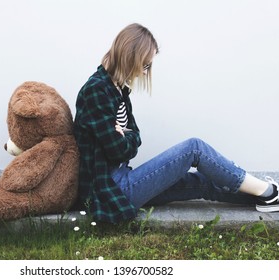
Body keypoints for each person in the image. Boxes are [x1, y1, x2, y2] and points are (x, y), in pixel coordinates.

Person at [73, 23, 279, 223]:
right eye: (145, 65)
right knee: (194, 148)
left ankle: (266, 196)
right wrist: (126, 139)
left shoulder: (118, 89)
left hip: (123, 179)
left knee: (201, 183)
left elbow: (135, 136)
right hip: (111, 191)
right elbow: (118, 151)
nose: (145, 72)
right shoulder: (96, 90)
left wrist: (124, 135)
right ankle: (268, 191)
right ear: (130, 57)